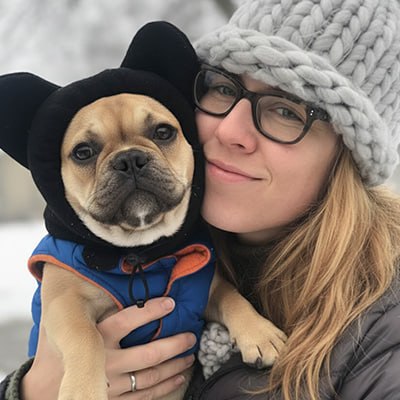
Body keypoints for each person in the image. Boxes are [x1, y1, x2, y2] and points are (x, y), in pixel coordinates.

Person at [2, 0, 400, 399]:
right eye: (223, 88)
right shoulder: (194, 241)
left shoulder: (382, 336)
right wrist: (30, 391)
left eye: (286, 111)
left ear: (347, 158)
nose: (231, 130)